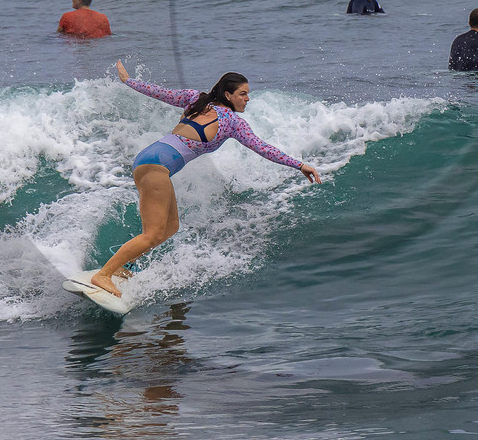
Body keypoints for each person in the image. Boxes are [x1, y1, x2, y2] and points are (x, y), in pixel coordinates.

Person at [94, 61, 320, 299]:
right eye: (243, 94)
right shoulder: (231, 121)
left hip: (150, 160)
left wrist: (129, 81)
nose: (247, 99)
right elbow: (263, 148)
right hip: (156, 167)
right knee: (152, 234)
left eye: (248, 94)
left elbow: (158, 92)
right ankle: (104, 274)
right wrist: (300, 164)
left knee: (170, 228)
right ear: (228, 95)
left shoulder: (195, 99)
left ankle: (123, 267)